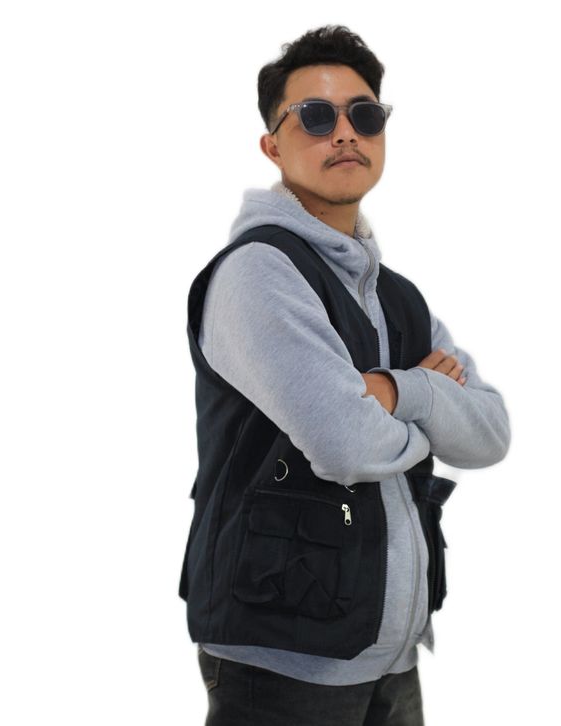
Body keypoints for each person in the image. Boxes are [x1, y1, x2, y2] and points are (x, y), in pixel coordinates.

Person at [180, 24, 511, 726]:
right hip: (280, 661)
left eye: (364, 115)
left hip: (390, 656)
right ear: (272, 145)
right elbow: (345, 444)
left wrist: (398, 390)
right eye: (315, 116)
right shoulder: (259, 273)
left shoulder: (398, 296)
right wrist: (430, 410)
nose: (344, 134)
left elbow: (489, 434)